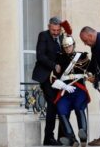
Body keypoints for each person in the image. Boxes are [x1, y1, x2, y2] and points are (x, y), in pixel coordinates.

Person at [51, 35, 95, 147]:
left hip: (78, 88)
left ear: (73, 45)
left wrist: (90, 75)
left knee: (78, 107)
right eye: (65, 47)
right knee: (61, 110)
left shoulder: (82, 57)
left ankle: (83, 134)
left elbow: (92, 71)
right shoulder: (59, 58)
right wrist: (63, 86)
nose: (67, 49)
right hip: (65, 90)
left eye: (69, 46)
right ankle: (72, 139)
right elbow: (53, 77)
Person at [32, 17, 64, 146]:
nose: (56, 32)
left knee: (62, 104)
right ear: (49, 27)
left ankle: (63, 136)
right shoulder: (43, 35)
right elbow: (40, 56)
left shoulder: (63, 37)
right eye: (53, 30)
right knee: (53, 104)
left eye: (58, 30)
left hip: (60, 78)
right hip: (45, 76)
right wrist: (54, 65)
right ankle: (48, 137)